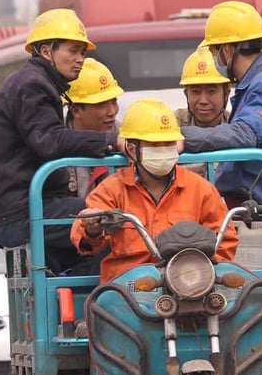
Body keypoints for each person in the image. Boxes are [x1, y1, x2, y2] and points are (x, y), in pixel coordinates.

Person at [0, 8, 121, 275]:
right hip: (19, 212)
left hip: (23, 207)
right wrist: (112, 141)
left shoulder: (36, 82)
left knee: (99, 225)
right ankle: (88, 307)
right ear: (46, 51)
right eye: (72, 51)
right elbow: (49, 140)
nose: (79, 59)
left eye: (82, 53)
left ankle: (70, 301)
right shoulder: (32, 85)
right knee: (113, 222)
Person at [71, 98, 238, 282]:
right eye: (154, 145)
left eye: (168, 144)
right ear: (132, 149)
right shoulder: (112, 190)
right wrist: (93, 228)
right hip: (127, 289)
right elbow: (85, 239)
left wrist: (200, 270)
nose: (163, 151)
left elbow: (225, 241)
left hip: (186, 285)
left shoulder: (201, 189)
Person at [180, 1, 262, 209]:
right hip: (260, 201)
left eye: (214, 52)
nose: (216, 59)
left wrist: (179, 138)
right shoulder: (260, 81)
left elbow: (243, 134)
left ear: (226, 49)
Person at [64, 57, 123, 198]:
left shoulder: (125, 136)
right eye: (102, 104)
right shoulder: (55, 142)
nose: (112, 111)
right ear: (76, 110)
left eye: (114, 101)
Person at [175, 47, 230, 129]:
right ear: (186, 94)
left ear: (226, 94)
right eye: (196, 91)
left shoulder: (238, 126)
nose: (203, 101)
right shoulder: (173, 124)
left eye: (211, 91)